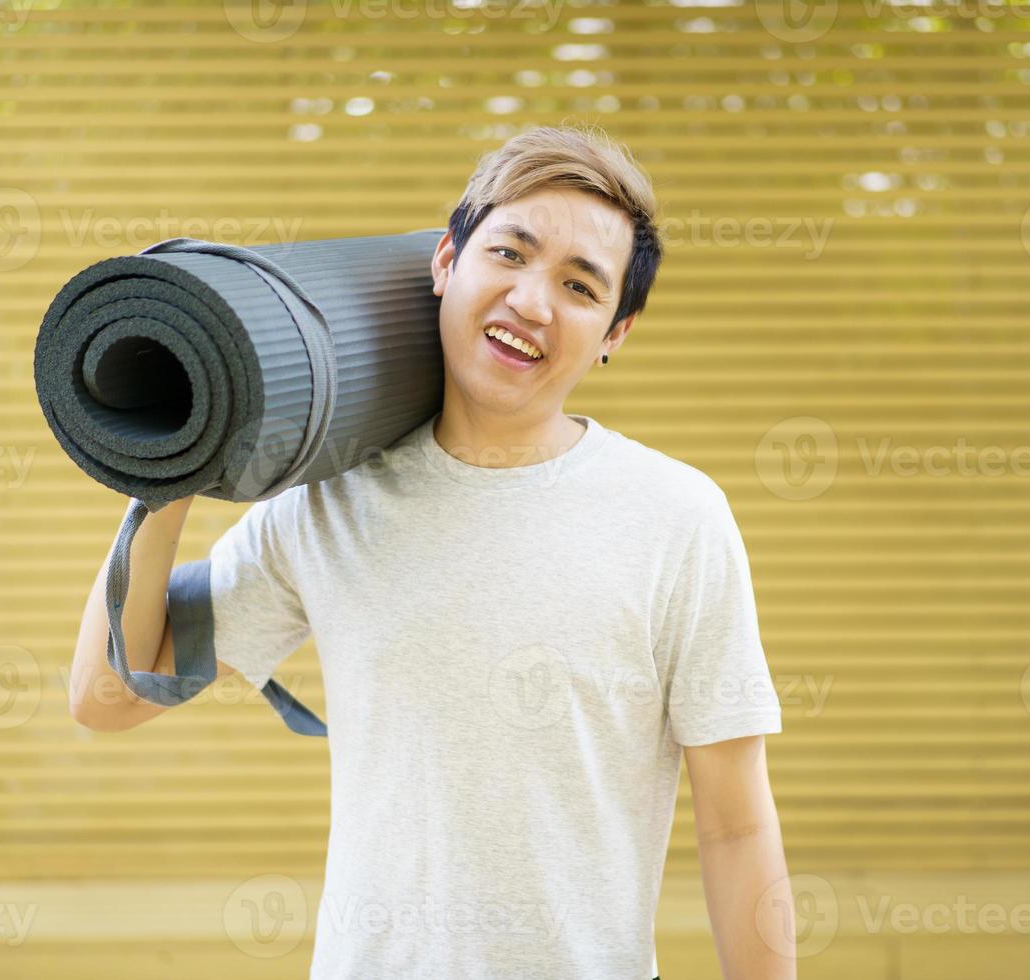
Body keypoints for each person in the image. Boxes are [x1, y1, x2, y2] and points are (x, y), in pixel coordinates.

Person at [68, 123, 795, 979]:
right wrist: (179, 450)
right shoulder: (326, 500)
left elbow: (737, 826)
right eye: (509, 253)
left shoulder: (677, 517)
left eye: (578, 285)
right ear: (447, 261)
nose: (531, 301)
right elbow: (110, 694)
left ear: (615, 333)